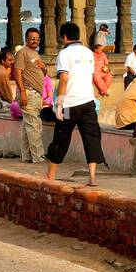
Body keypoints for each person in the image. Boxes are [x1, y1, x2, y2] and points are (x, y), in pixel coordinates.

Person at [46, 22, 105, 187]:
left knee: (61, 137)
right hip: (88, 103)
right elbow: (91, 76)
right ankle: (92, 177)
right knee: (92, 138)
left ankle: (50, 175)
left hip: (70, 105)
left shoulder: (64, 54)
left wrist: (59, 104)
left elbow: (63, 79)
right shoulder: (88, 52)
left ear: (64, 37)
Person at [13, 27, 46, 164]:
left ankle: (26, 156)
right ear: (26, 39)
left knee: (29, 128)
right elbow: (17, 72)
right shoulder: (23, 53)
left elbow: (43, 74)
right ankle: (38, 156)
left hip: (36, 93)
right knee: (34, 126)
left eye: (37, 39)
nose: (35, 41)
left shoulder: (35, 54)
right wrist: (23, 92)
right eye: (32, 38)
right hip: (28, 91)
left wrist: (43, 67)